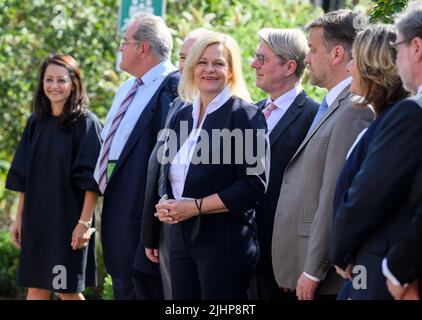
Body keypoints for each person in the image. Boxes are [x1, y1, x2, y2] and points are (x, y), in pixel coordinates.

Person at [155, 32, 268, 299]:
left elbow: (252, 186)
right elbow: (169, 173)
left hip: (224, 242)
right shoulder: (182, 114)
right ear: (192, 68)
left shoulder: (245, 115)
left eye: (218, 63)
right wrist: (166, 202)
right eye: (202, 62)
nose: (209, 69)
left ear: (230, 71)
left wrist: (193, 207)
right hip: (180, 238)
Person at [271, 9, 373, 300]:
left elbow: (334, 194)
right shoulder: (330, 105)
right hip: (300, 265)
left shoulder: (354, 109)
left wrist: (314, 269)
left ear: (337, 54)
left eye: (313, 50)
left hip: (321, 278)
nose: (307, 58)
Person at [332, 2, 422, 300]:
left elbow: (368, 195)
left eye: (354, 59)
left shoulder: (408, 114)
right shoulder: (389, 117)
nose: (348, 67)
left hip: (378, 268)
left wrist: (341, 252)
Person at [93, 12, 179, 300]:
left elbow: (168, 162)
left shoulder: (173, 87)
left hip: (144, 218)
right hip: (118, 208)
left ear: (143, 48)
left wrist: (152, 228)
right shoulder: (127, 88)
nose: (120, 48)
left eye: (124, 42)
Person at [6, 54, 102, 300]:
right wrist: (19, 220)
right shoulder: (35, 122)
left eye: (61, 80)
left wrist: (84, 223)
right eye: (49, 80)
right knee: (36, 288)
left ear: (73, 83)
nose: (54, 86)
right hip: (37, 221)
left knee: (67, 291)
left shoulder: (86, 124)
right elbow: (24, 176)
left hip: (68, 222)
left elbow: (93, 181)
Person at [141, 28, 214, 300]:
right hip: (170, 225)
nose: (182, 65)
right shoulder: (181, 106)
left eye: (190, 58)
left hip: (208, 234)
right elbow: (160, 169)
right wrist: (152, 229)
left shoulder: (233, 113)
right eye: (182, 57)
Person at [249, 28, 318, 299]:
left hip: (284, 263)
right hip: (243, 252)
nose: (254, 64)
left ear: (289, 66)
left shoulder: (314, 116)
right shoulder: (250, 111)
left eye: (262, 58)